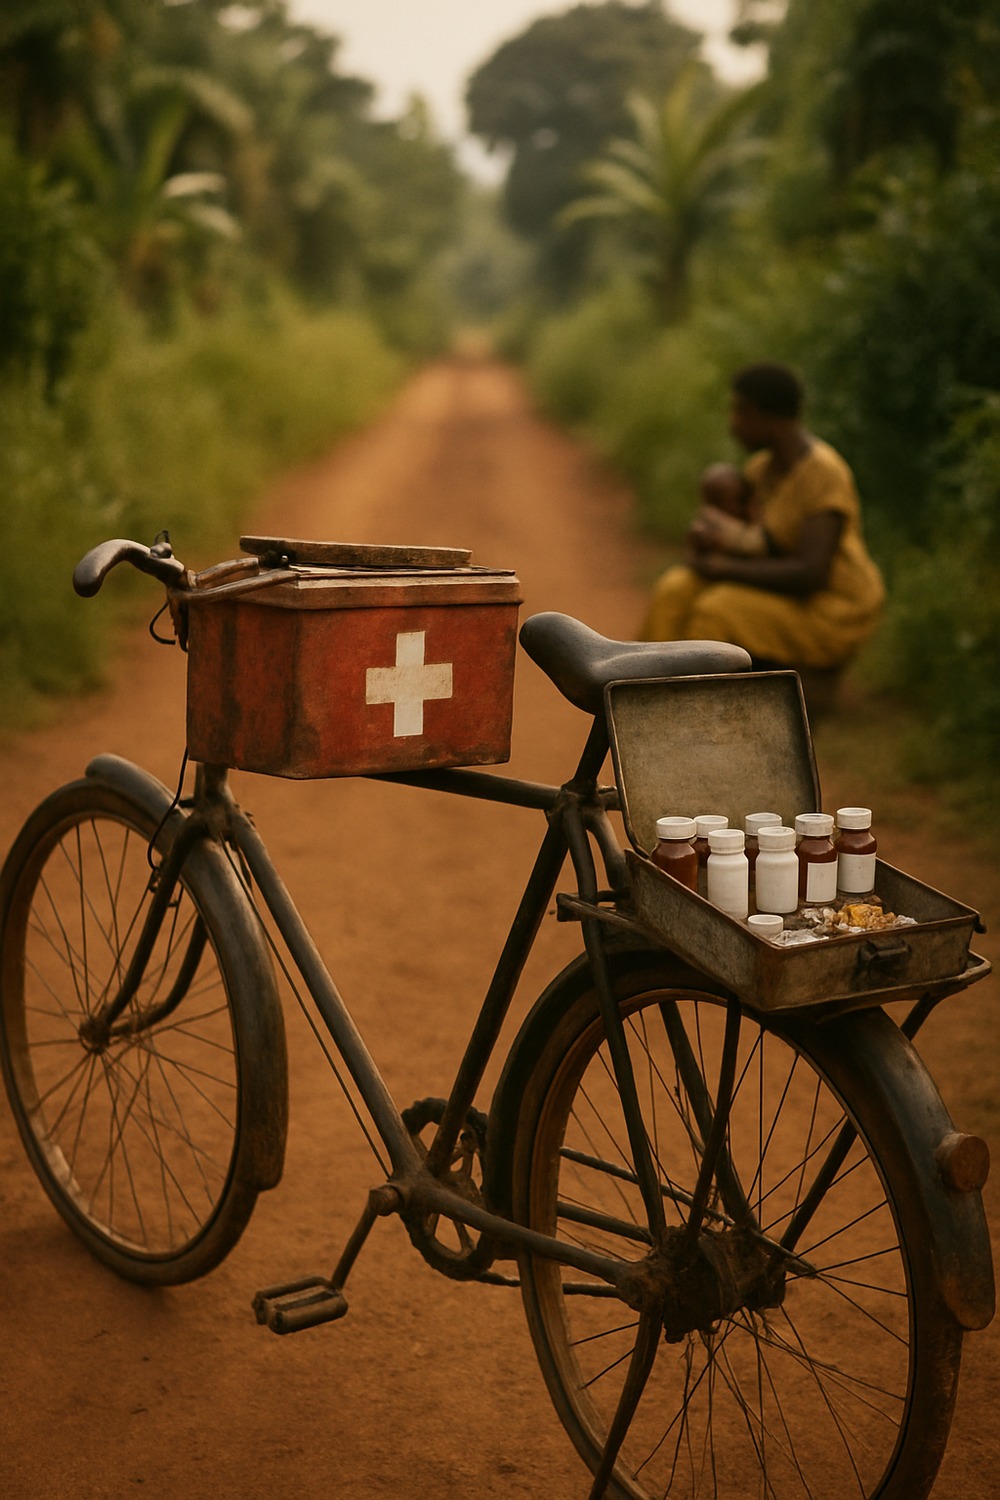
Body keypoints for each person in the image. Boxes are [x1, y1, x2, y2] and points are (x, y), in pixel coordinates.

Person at [638, 363, 885, 673]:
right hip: (787, 596)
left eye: (742, 412)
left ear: (772, 418)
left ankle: (694, 713)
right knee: (675, 588)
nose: (734, 424)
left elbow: (811, 574)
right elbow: (749, 540)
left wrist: (723, 568)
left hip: (832, 609)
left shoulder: (824, 473)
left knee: (717, 611)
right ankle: (644, 692)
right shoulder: (760, 469)